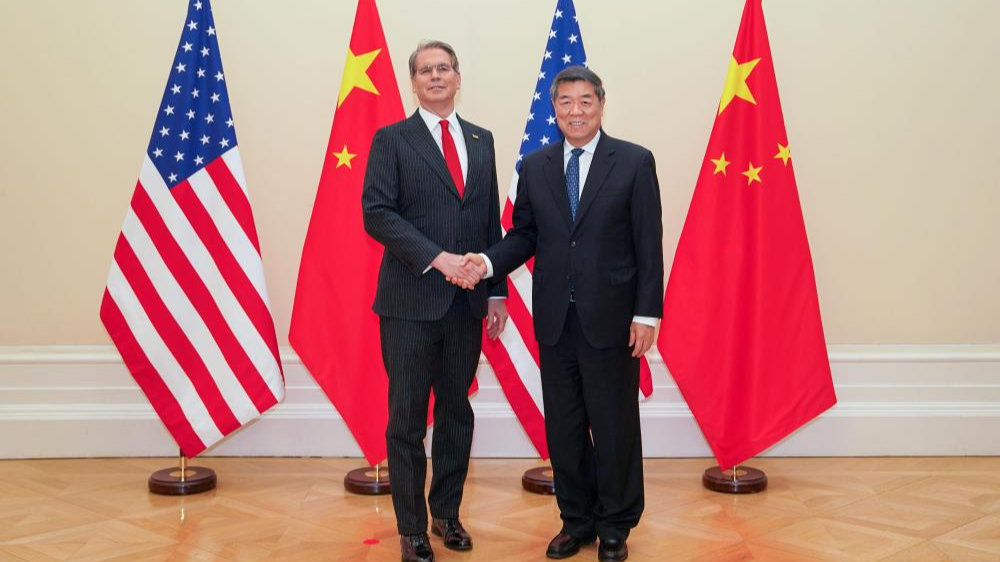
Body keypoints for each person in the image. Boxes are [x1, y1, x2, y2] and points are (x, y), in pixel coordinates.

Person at [453, 66, 663, 562]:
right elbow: (525, 235)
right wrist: (487, 263)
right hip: (554, 321)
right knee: (564, 430)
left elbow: (648, 243)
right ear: (555, 109)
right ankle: (576, 521)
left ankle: (615, 525)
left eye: (585, 101)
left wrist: (647, 314)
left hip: (612, 321)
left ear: (601, 104)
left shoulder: (634, 161)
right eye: (566, 102)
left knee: (613, 428)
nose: (576, 111)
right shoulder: (536, 166)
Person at [362, 40, 508, 562]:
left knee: (456, 415)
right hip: (409, 304)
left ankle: (446, 513)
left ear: (458, 77)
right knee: (406, 420)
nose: (436, 76)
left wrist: (496, 291)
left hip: (467, 307)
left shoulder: (482, 140)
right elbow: (377, 213)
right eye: (425, 70)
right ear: (414, 83)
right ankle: (412, 529)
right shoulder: (391, 139)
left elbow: (489, 221)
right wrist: (438, 259)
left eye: (443, 67)